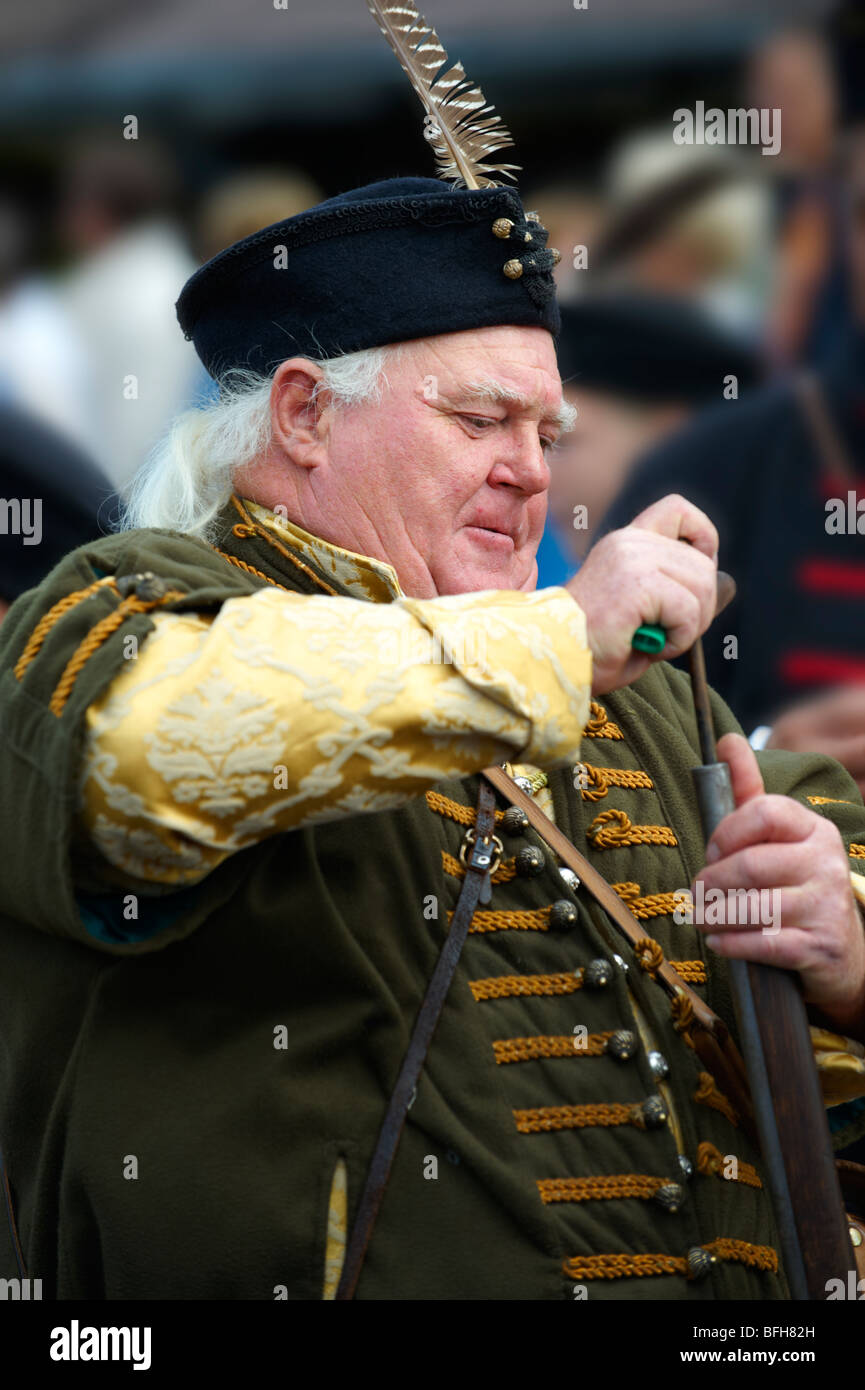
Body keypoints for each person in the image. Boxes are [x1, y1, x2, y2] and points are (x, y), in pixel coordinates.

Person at [1, 175, 864, 1303]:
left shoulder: (631, 689)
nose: (533, 468)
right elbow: (157, 747)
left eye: (547, 429)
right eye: (479, 420)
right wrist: (555, 641)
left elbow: (830, 846)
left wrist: (843, 941)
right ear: (304, 414)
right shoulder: (110, 611)